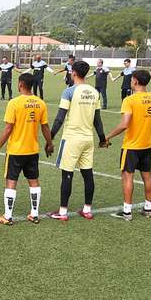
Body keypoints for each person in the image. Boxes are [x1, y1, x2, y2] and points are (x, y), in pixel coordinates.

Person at [104, 70, 151, 220]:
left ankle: (127, 212)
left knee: (127, 176)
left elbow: (124, 124)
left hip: (131, 146)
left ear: (135, 81)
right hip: (147, 145)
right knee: (147, 176)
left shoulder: (129, 100)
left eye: (132, 79)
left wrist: (107, 137)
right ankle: (148, 209)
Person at [47, 61, 109, 221]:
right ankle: (87, 209)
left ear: (73, 73)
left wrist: (50, 137)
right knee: (88, 174)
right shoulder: (94, 92)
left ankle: (62, 212)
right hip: (88, 139)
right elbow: (98, 120)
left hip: (72, 139)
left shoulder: (69, 91)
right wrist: (102, 139)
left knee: (67, 175)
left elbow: (60, 117)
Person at [0, 73, 54, 225]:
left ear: (20, 84)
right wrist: (49, 143)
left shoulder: (14, 103)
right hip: (33, 150)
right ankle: (34, 214)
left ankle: (8, 216)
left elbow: (8, 128)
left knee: (11, 181)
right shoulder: (40, 103)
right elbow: (45, 126)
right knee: (33, 181)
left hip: (16, 150)